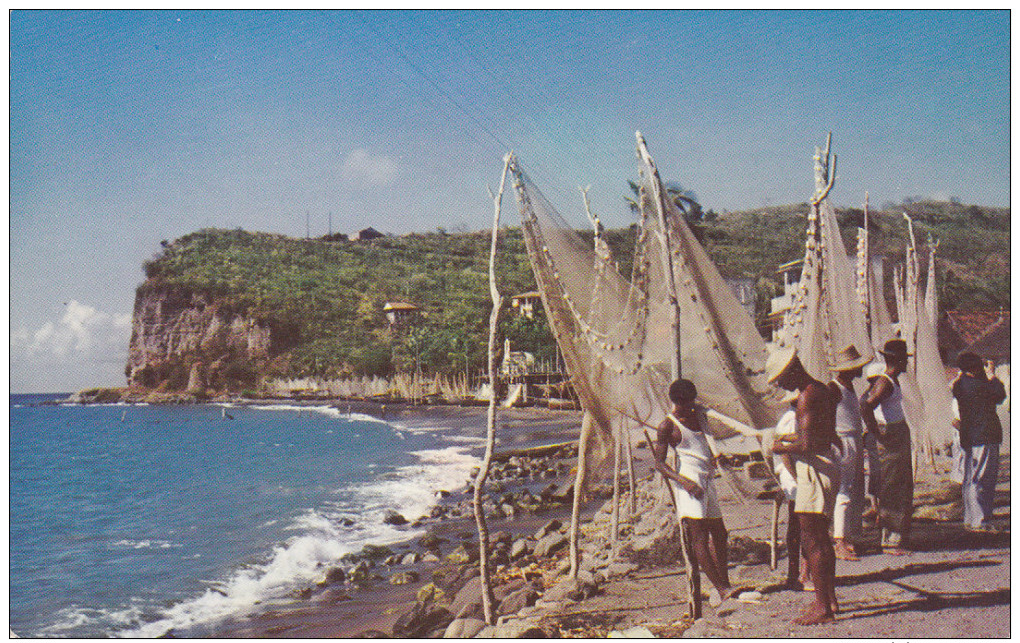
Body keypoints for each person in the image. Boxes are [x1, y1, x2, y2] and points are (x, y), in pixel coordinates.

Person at [768, 347, 841, 625]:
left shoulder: (807, 397)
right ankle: (829, 598)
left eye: (780, 379)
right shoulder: (821, 390)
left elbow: (809, 444)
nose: (780, 385)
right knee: (820, 537)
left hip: (814, 466)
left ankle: (822, 606)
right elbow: (823, 435)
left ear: (793, 370)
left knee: (812, 538)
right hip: (823, 464)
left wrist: (779, 445)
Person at [652, 378, 738, 607]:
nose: (692, 405)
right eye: (688, 402)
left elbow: (705, 445)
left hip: (707, 479)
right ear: (677, 402)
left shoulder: (699, 417)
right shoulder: (667, 426)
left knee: (719, 533)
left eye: (693, 401)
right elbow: (659, 464)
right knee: (698, 536)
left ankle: (723, 583)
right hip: (689, 482)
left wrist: (717, 457)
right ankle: (721, 588)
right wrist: (684, 482)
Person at [860, 339, 913, 555]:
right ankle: (890, 539)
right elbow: (866, 404)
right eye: (904, 359)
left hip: (897, 432)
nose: (906, 363)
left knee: (900, 483)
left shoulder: (889, 380)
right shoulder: (885, 382)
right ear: (898, 360)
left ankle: (897, 534)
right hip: (891, 435)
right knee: (892, 485)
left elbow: (866, 398)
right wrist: (875, 430)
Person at [952, 351, 1006, 532]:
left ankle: (971, 518)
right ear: (975, 368)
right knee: (982, 478)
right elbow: (1000, 395)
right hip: (983, 435)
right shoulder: (978, 385)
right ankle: (980, 521)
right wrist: (992, 375)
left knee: (970, 479)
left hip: (970, 435)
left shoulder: (961, 384)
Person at [828, 345, 870, 561]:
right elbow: (826, 415)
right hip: (842, 440)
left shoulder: (849, 387)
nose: (860, 370)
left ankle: (845, 534)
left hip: (853, 439)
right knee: (843, 490)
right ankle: (839, 541)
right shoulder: (834, 389)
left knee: (851, 490)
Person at [766, 390, 810, 589]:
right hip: (792, 476)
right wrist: (796, 478)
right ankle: (796, 575)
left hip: (798, 474)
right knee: (799, 524)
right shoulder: (791, 418)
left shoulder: (799, 417)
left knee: (802, 524)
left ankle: (801, 573)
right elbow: (783, 452)